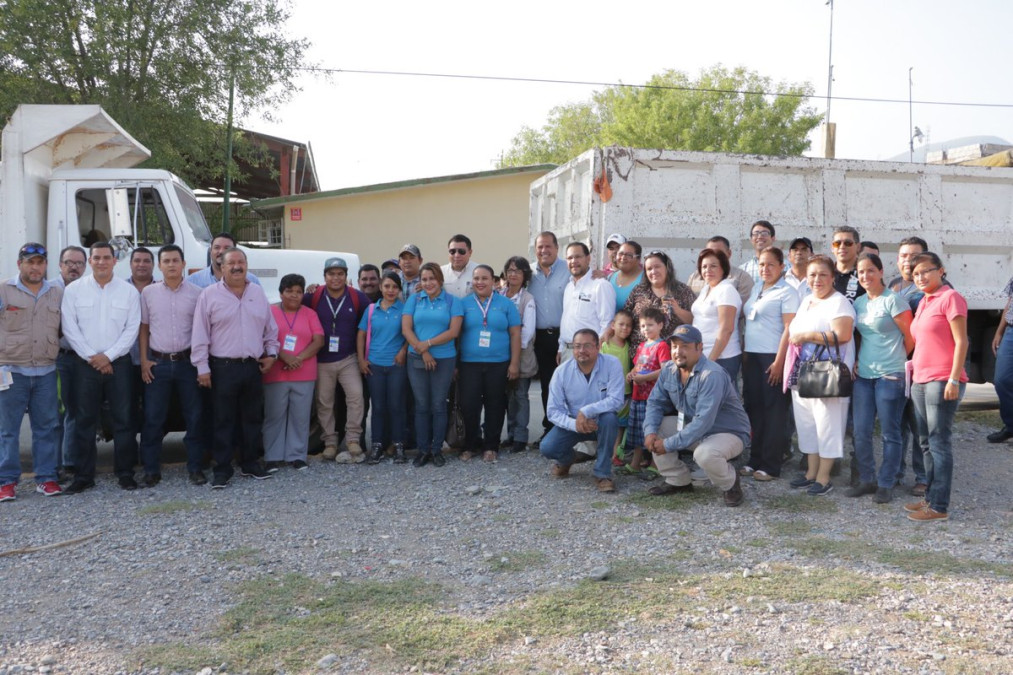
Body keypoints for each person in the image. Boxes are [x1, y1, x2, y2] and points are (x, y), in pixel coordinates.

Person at [191, 247, 279, 489]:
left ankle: (250, 463)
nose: (237, 266)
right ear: (222, 266)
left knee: (252, 418)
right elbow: (200, 334)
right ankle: (222, 469)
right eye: (231, 263)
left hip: (251, 366)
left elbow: (270, 329)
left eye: (241, 262)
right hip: (222, 367)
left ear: (247, 265)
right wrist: (202, 368)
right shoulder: (209, 295)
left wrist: (272, 353)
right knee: (222, 420)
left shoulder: (258, 293)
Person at [61, 242, 141, 493]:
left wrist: (107, 356)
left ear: (114, 261)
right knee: (85, 420)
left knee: (124, 420)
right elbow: (69, 328)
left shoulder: (128, 292)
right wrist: (92, 357)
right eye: (97, 258)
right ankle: (84, 476)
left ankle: (126, 473)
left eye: (107, 257)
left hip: (119, 364)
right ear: (90, 261)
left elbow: (132, 329)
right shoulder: (74, 291)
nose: (102, 262)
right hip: (84, 364)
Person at [642, 325, 751, 507]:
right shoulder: (669, 369)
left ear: (699, 348)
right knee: (657, 427)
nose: (678, 351)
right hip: (694, 427)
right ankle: (678, 481)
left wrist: (668, 444)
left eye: (685, 346)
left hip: (727, 433)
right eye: (675, 346)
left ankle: (730, 483)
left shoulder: (711, 375)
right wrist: (649, 432)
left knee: (705, 454)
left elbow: (703, 422)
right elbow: (655, 402)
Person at [905, 252, 968, 522]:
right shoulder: (924, 301)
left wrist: (954, 379)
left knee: (939, 442)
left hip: (942, 380)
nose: (920, 277)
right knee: (926, 443)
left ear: (940, 271)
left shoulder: (951, 298)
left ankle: (939, 506)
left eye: (925, 271)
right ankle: (929, 498)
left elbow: (962, 341)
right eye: (915, 273)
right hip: (920, 379)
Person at [786, 255, 856, 496]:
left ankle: (824, 477)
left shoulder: (839, 303)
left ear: (833, 277)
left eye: (823, 275)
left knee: (828, 424)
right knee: (807, 425)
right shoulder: (806, 300)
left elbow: (843, 334)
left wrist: (807, 336)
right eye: (812, 274)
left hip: (828, 374)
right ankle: (811, 472)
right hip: (803, 371)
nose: (817, 279)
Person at [137, 244, 207, 486]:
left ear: (183, 264)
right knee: (153, 418)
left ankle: (196, 467)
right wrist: (144, 360)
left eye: (175, 260)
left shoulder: (198, 293)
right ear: (160, 265)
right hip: (158, 363)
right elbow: (144, 328)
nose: (171, 265)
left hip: (188, 363)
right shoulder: (148, 293)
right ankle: (151, 470)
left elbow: (202, 331)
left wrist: (201, 364)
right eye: (166, 261)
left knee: (195, 417)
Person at [0, 243, 64, 501]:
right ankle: (6, 481)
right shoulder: (4, 290)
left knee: (47, 427)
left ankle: (46, 478)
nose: (35, 267)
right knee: (7, 429)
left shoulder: (56, 293)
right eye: (30, 262)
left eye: (39, 262)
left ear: (45, 265)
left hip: (46, 371)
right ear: (20, 264)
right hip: (11, 371)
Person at [850, 253, 914, 503]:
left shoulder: (894, 301)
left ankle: (886, 482)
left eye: (870, 271)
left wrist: (897, 360)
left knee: (890, 432)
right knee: (861, 431)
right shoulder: (859, 303)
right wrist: (856, 359)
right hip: (864, 376)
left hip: (891, 375)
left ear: (880, 272)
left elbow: (910, 337)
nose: (865, 276)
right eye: (861, 272)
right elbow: (858, 336)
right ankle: (867, 479)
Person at [540, 329, 625, 493]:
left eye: (587, 346)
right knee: (547, 447)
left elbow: (616, 400)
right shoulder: (561, 372)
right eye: (577, 346)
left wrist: (586, 411)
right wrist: (575, 424)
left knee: (610, 419)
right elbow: (553, 411)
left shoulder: (612, 364)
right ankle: (567, 460)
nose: (581, 351)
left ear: (598, 347)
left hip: (602, 422)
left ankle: (602, 474)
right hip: (574, 423)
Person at [741, 246, 798, 481]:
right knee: (755, 410)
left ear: (782, 266)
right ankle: (754, 459)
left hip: (773, 357)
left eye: (771, 264)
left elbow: (789, 329)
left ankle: (771, 464)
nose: (766, 269)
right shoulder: (757, 289)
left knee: (774, 412)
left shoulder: (787, 292)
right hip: (752, 357)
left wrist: (779, 361)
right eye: (762, 264)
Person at [307, 257, 369, 463]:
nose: (336, 278)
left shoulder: (356, 297)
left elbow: (371, 318)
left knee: (356, 397)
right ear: (324, 276)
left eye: (340, 274)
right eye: (331, 274)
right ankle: (330, 442)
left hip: (348, 357)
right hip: (322, 359)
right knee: (324, 402)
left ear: (346, 276)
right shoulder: (314, 296)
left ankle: (352, 439)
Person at [401, 262, 463, 467]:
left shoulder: (453, 302)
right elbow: (406, 329)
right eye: (424, 279)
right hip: (416, 358)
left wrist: (427, 344)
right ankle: (423, 449)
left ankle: (437, 450)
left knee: (438, 405)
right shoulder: (414, 299)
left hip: (444, 358)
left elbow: (453, 332)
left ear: (440, 280)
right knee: (421, 406)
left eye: (432, 278)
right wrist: (424, 351)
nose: (428, 283)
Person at [458, 265, 521, 462]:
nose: (480, 282)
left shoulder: (506, 304)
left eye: (485, 278)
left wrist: (514, 363)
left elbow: (515, 334)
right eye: (476, 278)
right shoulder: (463, 304)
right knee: (469, 405)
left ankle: (491, 445)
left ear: (493, 281)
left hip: (498, 363)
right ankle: (470, 444)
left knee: (495, 404)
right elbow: (456, 334)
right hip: (469, 363)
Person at [263, 274, 324, 472]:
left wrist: (298, 359)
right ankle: (272, 456)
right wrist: (284, 357)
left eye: (298, 292)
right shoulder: (270, 312)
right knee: (274, 415)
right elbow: (263, 338)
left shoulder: (309, 314)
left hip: (304, 373)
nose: (294, 295)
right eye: (289, 291)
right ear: (281, 293)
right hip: (275, 372)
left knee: (300, 416)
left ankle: (297, 456)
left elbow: (318, 340)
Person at [889, 236, 930, 493]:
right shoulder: (894, 285)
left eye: (914, 256)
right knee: (897, 423)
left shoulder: (930, 287)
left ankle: (923, 477)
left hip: (920, 365)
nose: (908, 261)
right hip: (895, 365)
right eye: (904, 256)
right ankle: (896, 472)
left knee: (919, 425)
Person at [357, 271, 408, 464]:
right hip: (374, 365)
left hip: (396, 365)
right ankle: (377, 445)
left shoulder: (404, 310)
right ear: (381, 287)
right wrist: (362, 360)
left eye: (395, 287)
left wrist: (403, 350)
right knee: (378, 407)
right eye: (387, 286)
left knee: (396, 406)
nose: (391, 290)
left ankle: (398, 444)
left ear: (399, 290)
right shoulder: (371, 310)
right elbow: (361, 335)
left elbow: (410, 334)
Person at [529, 232, 570, 442]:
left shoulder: (569, 269)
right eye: (539, 247)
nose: (543, 251)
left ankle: (570, 429)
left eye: (548, 246)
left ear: (556, 248)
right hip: (540, 338)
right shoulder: (529, 272)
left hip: (564, 337)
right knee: (547, 384)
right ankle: (550, 428)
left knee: (568, 384)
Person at [52, 245, 87, 475]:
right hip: (60, 359)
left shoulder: (88, 289)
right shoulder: (50, 290)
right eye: (68, 263)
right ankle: (53, 467)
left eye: (78, 263)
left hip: (83, 359)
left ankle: (70, 462)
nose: (73, 267)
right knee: (57, 413)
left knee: (77, 410)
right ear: (60, 265)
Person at [625, 307, 671, 473]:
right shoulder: (642, 346)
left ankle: (654, 464)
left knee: (652, 429)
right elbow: (638, 366)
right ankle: (636, 463)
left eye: (650, 325)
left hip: (652, 397)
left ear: (660, 325)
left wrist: (645, 378)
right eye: (643, 326)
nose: (646, 329)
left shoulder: (662, 346)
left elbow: (666, 370)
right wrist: (631, 374)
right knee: (638, 430)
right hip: (638, 396)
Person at [500, 256, 538, 454]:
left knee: (520, 395)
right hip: (500, 354)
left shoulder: (527, 299)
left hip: (521, 355)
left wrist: (514, 351)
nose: (513, 274)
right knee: (507, 396)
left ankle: (521, 437)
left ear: (525, 276)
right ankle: (511, 433)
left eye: (518, 271)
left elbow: (527, 332)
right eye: (510, 270)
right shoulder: (499, 295)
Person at [623, 250, 695, 354]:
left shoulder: (683, 291)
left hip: (673, 356)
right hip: (641, 357)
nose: (653, 271)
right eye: (649, 269)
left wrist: (677, 310)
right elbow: (626, 318)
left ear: (667, 267)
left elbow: (695, 321)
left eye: (657, 267)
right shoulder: (638, 291)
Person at [691, 248, 743, 381]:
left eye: (713, 266)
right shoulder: (706, 289)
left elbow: (726, 329)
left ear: (723, 268)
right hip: (703, 355)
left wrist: (710, 362)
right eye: (704, 266)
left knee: (721, 400)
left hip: (721, 358)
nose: (708, 270)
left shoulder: (726, 290)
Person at [559, 242, 616, 362]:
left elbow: (607, 323)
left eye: (578, 256)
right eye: (570, 258)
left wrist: (596, 351)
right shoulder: (568, 287)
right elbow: (566, 319)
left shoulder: (601, 285)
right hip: (567, 351)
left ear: (588, 258)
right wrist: (561, 348)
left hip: (589, 354)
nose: (573, 261)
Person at [602, 310, 633, 465]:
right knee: (609, 422)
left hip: (626, 392)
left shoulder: (629, 347)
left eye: (628, 325)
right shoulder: (605, 346)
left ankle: (616, 454)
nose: (625, 328)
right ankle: (606, 453)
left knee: (621, 425)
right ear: (613, 325)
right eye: (621, 324)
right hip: (609, 393)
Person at [687, 236, 754, 304]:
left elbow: (743, 308)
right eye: (709, 252)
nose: (713, 255)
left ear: (729, 253)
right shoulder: (695, 276)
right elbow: (687, 303)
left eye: (719, 253)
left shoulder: (742, 277)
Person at [186, 232, 262, 288]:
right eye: (217, 247)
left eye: (227, 248)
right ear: (210, 251)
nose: (221, 251)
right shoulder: (193, 282)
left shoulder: (252, 281)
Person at [831, 226, 865, 303]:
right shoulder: (826, 273)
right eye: (837, 243)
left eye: (848, 243)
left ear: (858, 247)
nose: (842, 246)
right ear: (832, 247)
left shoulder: (865, 273)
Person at [609, 241, 644, 312]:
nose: (623, 257)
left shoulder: (645, 279)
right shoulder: (610, 277)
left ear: (638, 259)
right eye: (620, 254)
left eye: (629, 255)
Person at [441, 234, 479, 298]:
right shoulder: (440, 272)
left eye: (461, 251)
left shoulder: (479, 271)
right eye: (452, 251)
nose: (456, 255)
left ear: (470, 252)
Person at [740, 220, 775, 285]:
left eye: (764, 233)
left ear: (773, 238)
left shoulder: (786, 267)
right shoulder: (743, 270)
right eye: (756, 233)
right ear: (751, 240)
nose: (760, 237)